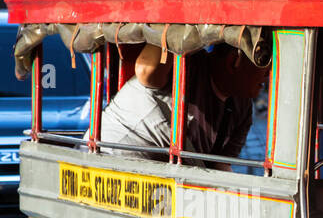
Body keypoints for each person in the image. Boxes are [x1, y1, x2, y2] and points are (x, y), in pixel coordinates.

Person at [98, 43, 269, 170]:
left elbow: (220, 166)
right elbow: (145, 71)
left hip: (164, 180)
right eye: (264, 61)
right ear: (234, 61)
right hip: (108, 161)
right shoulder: (185, 63)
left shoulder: (242, 108)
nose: (269, 72)